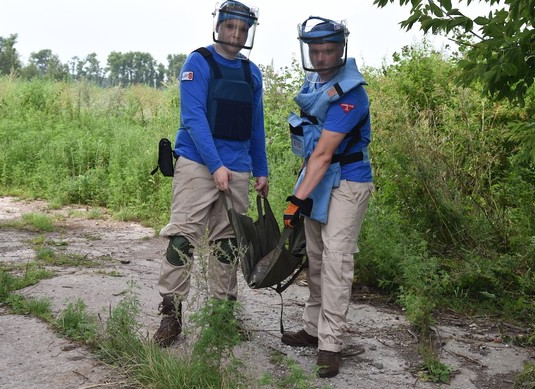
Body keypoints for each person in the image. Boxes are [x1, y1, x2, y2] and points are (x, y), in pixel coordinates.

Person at [153, 0, 268, 347]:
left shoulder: (252, 72)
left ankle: (222, 317)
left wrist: (260, 169)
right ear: (218, 26)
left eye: (242, 29)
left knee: (228, 245)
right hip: (197, 164)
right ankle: (171, 316)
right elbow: (193, 117)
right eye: (230, 26)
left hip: (239, 168)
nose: (235, 34)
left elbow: (256, 125)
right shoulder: (198, 62)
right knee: (182, 239)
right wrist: (215, 165)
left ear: (248, 32)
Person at [281, 16, 374, 378]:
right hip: (318, 177)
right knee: (316, 259)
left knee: (336, 262)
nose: (321, 57)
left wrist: (295, 199)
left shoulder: (352, 94)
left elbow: (324, 154)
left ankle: (330, 345)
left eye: (328, 50)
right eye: (315, 50)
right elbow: (311, 150)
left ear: (341, 49)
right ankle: (312, 328)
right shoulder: (314, 83)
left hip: (347, 182)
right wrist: (303, 188)